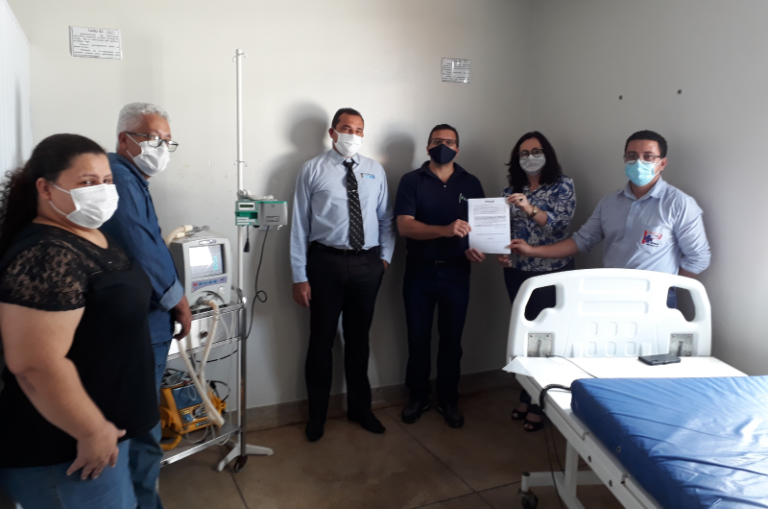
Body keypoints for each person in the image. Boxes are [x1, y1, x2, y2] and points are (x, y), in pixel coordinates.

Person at [0, 134, 158, 509]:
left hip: (111, 430)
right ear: (45, 188)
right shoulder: (45, 254)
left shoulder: (87, 234)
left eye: (107, 181)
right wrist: (91, 430)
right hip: (71, 450)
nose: (101, 191)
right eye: (87, 182)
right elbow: (35, 363)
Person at [101, 102, 191, 509]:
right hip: (142, 322)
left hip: (143, 320)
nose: (163, 149)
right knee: (141, 426)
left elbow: (151, 241)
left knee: (139, 420)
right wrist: (179, 301)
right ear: (126, 139)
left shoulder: (132, 179)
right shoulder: (119, 177)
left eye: (168, 142)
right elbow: (142, 247)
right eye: (155, 139)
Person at [510, 129, 711, 305]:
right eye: (632, 156)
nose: (638, 162)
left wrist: (667, 289)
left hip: (655, 300)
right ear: (625, 159)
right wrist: (531, 251)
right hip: (608, 295)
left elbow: (698, 258)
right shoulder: (609, 203)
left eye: (648, 156)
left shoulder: (679, 204)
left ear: (662, 163)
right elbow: (581, 242)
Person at [290, 107, 395, 442]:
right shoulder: (312, 169)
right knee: (321, 341)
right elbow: (299, 226)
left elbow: (386, 219)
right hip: (325, 263)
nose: (353, 135)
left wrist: (384, 259)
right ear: (333, 132)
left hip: (367, 265)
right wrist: (299, 276)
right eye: (347, 128)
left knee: (359, 341)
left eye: (359, 129)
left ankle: (360, 409)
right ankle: (317, 415)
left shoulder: (375, 170)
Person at [394, 124, 485, 429]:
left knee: (452, 340)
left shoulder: (471, 183)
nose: (443, 145)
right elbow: (404, 226)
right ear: (428, 146)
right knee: (417, 338)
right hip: (419, 271)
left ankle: (448, 399)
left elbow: (481, 228)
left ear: (457, 148)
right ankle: (418, 396)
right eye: (437, 141)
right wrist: (445, 230)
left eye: (449, 141)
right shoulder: (411, 181)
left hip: (457, 271)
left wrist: (476, 248)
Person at [498, 132, 576, 432]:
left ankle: (539, 401)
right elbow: (504, 230)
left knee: (545, 337)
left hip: (551, 273)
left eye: (536, 151)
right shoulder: (510, 190)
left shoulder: (563, 185)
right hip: (517, 272)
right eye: (524, 153)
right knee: (523, 335)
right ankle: (525, 392)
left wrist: (529, 207)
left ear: (547, 154)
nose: (530, 157)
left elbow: (559, 224)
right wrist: (501, 251)